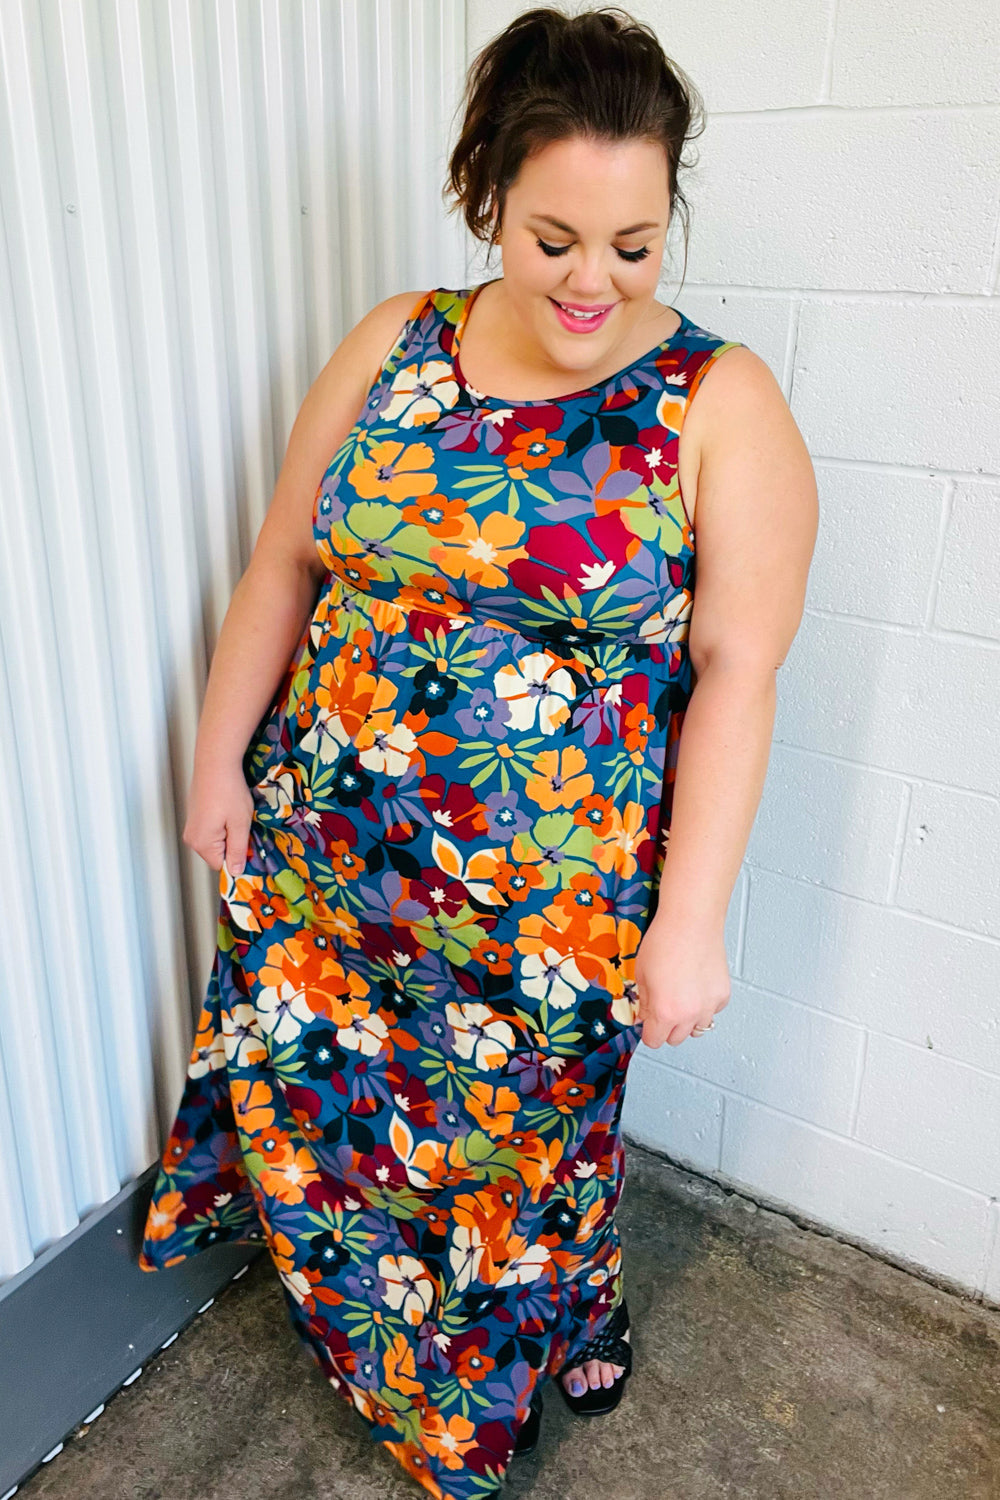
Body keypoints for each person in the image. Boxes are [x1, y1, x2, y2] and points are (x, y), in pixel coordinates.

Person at [137, 6, 817, 1497]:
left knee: (529, 1155)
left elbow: (738, 677)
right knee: (348, 1126)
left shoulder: (720, 404)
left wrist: (691, 923)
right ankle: (376, 1335)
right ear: (486, 194)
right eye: (552, 237)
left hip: (546, 913)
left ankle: (558, 1320)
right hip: (329, 863)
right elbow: (285, 561)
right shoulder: (398, 339)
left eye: (634, 245)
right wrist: (215, 760)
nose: (592, 282)